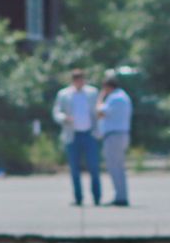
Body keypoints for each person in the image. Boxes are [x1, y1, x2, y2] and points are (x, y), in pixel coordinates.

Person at [53, 68, 102, 208]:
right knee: (74, 169)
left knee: (93, 167)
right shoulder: (64, 94)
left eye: (81, 79)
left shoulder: (92, 93)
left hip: (89, 134)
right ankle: (78, 197)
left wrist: (98, 129)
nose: (79, 81)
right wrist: (64, 118)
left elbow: (97, 111)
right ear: (73, 81)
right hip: (72, 135)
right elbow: (57, 112)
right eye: (76, 79)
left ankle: (97, 197)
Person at [98, 74, 133, 207]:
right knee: (118, 167)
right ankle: (120, 195)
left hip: (114, 135)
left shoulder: (114, 98)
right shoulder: (123, 97)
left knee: (115, 168)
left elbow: (99, 112)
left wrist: (100, 98)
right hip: (121, 134)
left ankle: (121, 197)